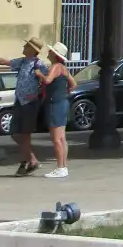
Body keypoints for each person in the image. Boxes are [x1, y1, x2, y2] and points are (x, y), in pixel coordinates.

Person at [0, 39, 45, 175]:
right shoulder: (22, 62)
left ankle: (26, 163)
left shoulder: (39, 64)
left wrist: (35, 94)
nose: (24, 47)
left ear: (32, 50)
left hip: (29, 104)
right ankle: (31, 160)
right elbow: (4, 62)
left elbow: (47, 82)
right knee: (16, 134)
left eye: (26, 45)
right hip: (19, 101)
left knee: (24, 135)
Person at [40, 43, 77, 179]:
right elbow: (74, 84)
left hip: (54, 104)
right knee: (62, 138)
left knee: (56, 139)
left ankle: (60, 167)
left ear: (55, 55)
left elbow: (48, 81)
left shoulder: (55, 67)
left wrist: (39, 74)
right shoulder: (64, 68)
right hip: (63, 102)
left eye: (50, 51)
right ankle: (63, 166)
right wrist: (63, 91)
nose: (48, 53)